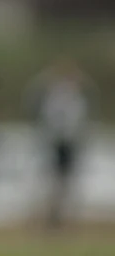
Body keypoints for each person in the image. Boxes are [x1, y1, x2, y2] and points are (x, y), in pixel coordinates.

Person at [23, 56, 98, 228]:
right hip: (53, 142)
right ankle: (50, 216)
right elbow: (33, 96)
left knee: (69, 180)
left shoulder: (78, 97)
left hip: (71, 142)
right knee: (51, 180)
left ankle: (66, 217)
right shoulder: (52, 94)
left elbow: (92, 98)